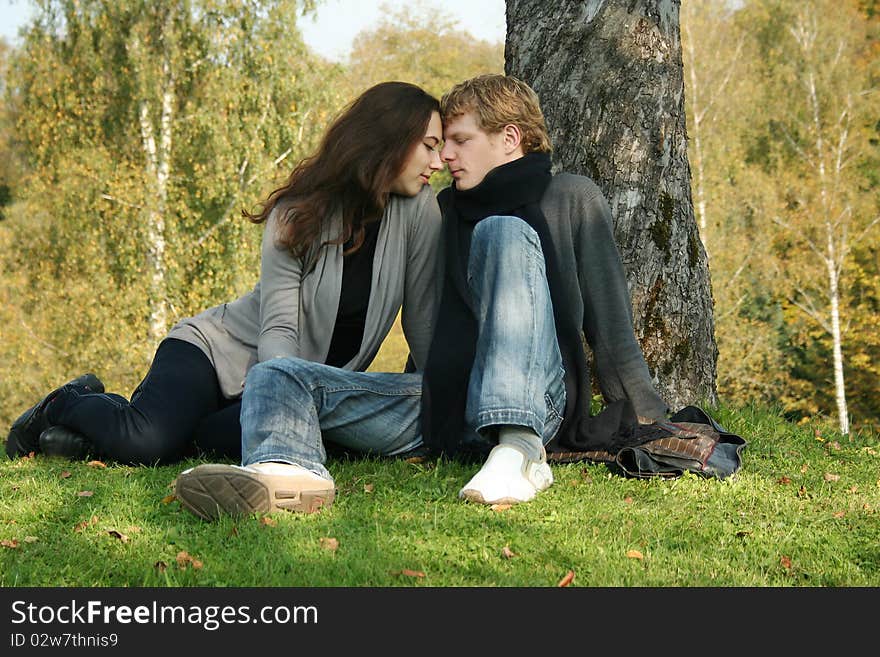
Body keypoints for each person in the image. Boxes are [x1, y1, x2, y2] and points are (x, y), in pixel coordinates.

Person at [173, 74, 669, 520]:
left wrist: (651, 420)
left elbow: (611, 327)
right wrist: (429, 391)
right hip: (450, 402)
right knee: (277, 372)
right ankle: (290, 473)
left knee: (502, 232)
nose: (444, 156)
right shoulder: (441, 207)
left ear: (509, 139)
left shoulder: (571, 198)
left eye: (460, 140)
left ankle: (518, 451)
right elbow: (428, 320)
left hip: (539, 399)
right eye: (441, 143)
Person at [5, 81, 443, 467]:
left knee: (205, 441)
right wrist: (283, 399)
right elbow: (279, 328)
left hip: (302, 388)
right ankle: (66, 404)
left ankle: (95, 438)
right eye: (429, 145)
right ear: (390, 140)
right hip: (217, 353)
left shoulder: (420, 211)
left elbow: (422, 319)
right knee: (148, 441)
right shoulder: (298, 212)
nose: (438, 161)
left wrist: (442, 401)